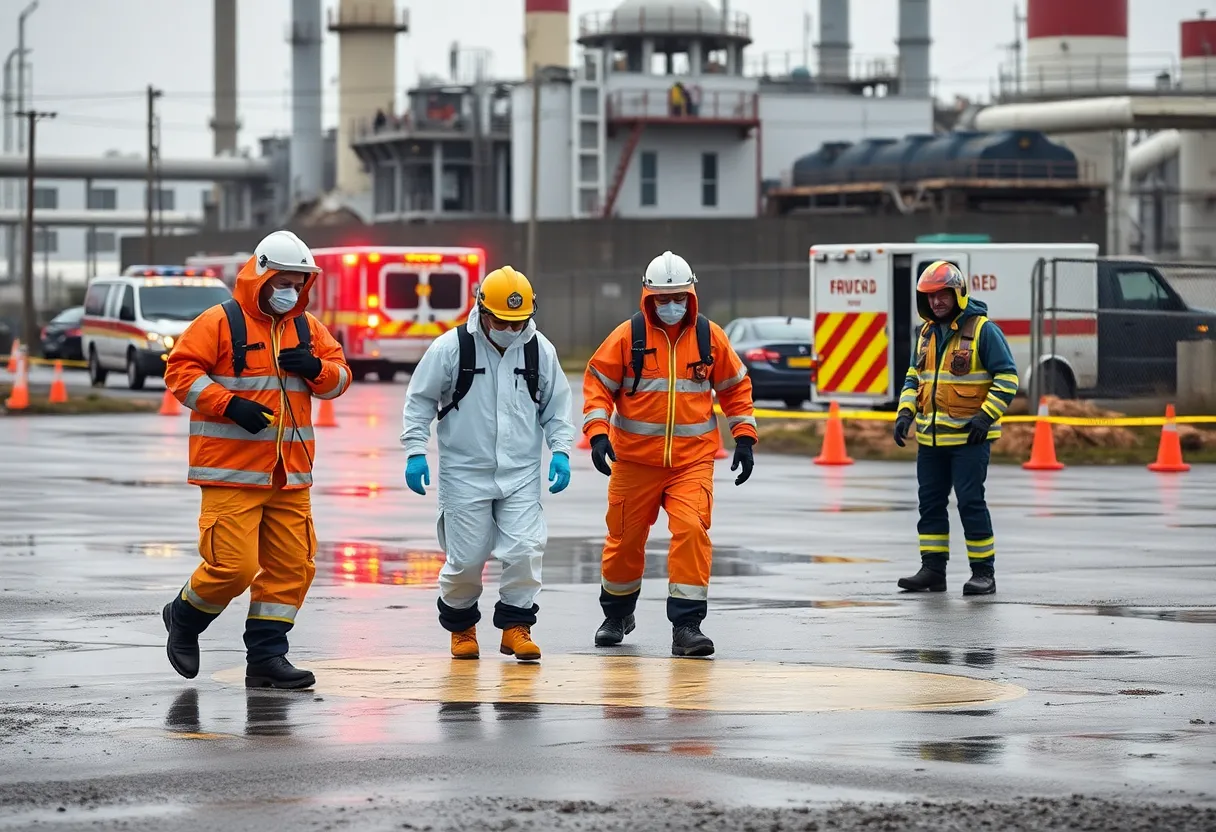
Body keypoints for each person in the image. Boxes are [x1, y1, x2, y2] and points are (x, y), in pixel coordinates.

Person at [161, 230, 351, 689]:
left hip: (290, 474)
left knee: (292, 568)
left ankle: (267, 658)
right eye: (282, 281)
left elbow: (341, 378)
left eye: (298, 282)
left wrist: (316, 369)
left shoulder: (308, 328)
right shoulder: (219, 322)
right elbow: (180, 372)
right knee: (234, 567)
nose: (290, 290)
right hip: (231, 472)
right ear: (261, 277)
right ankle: (184, 619)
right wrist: (230, 405)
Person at [582, 251, 757, 658]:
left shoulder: (709, 337)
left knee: (692, 533)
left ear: (691, 295)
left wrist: (744, 436)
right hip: (634, 462)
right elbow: (597, 384)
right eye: (663, 298)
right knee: (624, 541)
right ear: (648, 297)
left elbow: (735, 386)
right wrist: (596, 433)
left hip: (691, 462)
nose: (671, 305)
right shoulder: (628, 337)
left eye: (678, 296)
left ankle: (687, 626)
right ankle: (617, 614)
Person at [401, 265, 574, 662]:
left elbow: (557, 406)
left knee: (526, 549)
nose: (510, 329)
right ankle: (462, 628)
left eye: (519, 321)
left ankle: (517, 627)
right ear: (482, 310)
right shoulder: (451, 348)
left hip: (521, 473)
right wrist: (415, 451)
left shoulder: (538, 350)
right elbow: (420, 401)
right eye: (501, 320)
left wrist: (561, 450)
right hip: (465, 474)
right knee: (466, 559)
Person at [892, 260, 1018, 597]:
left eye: (943, 295)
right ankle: (933, 570)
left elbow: (1007, 378)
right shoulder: (926, 334)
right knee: (929, 503)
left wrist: (985, 416)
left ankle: (983, 574)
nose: (936, 302)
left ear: (958, 294)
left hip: (969, 438)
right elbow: (912, 378)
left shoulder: (983, 330)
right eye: (931, 296)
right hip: (931, 440)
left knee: (970, 502)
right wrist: (905, 414)